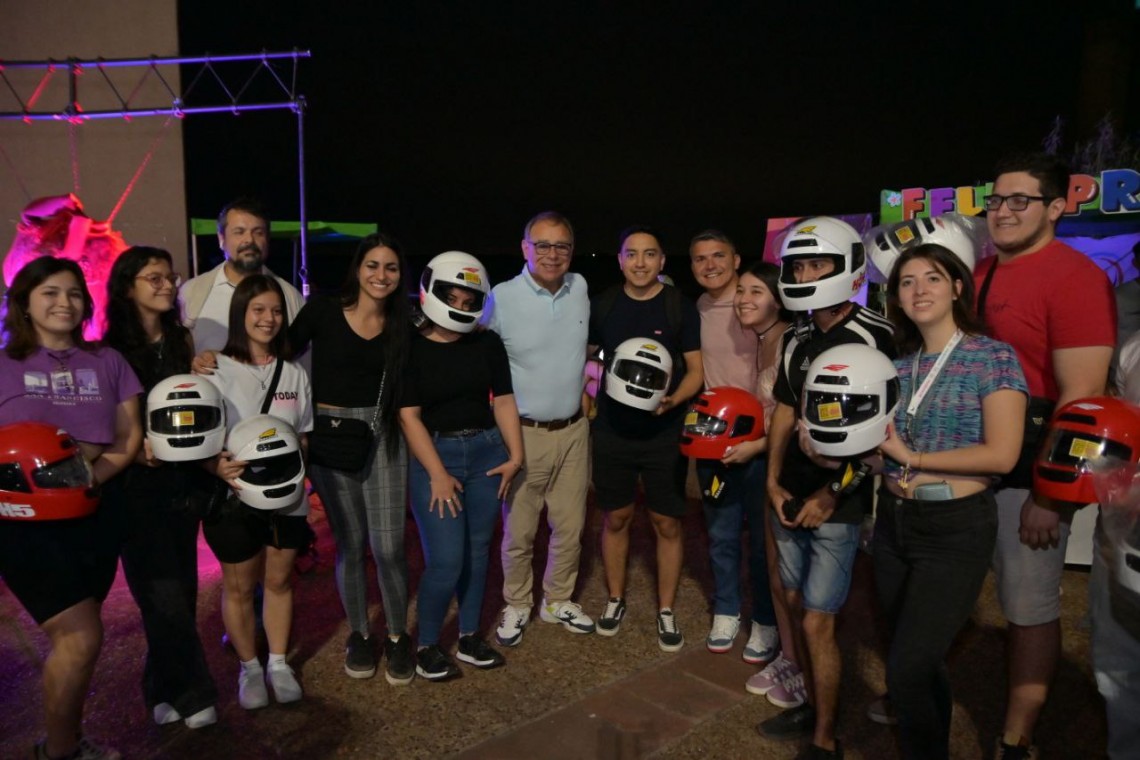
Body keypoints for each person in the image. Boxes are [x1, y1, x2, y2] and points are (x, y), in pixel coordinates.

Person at [975, 152, 1115, 759]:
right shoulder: (979, 271)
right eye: (996, 200)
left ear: (1056, 207)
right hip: (969, 459)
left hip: (1028, 471)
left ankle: (1017, 734)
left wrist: (1049, 496)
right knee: (947, 585)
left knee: (1027, 605)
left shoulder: (1075, 277)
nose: (1003, 212)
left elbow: (1082, 399)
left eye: (1019, 201)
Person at [875, 243, 1027, 759]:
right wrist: (832, 447)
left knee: (907, 668)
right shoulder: (897, 367)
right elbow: (882, 454)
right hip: (894, 524)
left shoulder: (992, 357)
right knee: (920, 659)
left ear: (957, 287)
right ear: (896, 297)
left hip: (954, 529)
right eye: (907, 282)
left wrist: (911, 458)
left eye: (933, 278)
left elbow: (1002, 455)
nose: (919, 290)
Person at [758, 217, 894, 760]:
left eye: (818, 265)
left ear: (847, 268)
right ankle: (814, 704)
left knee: (818, 619)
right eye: (798, 267)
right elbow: (784, 410)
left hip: (837, 503)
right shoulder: (796, 336)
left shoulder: (876, 335)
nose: (806, 276)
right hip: (790, 494)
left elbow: (882, 435)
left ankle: (825, 739)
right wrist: (772, 480)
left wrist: (832, 494)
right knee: (794, 604)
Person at [0, 257, 143, 760]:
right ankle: (59, 751)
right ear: (24, 303)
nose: (65, 302)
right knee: (81, 638)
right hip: (24, 526)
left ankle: (66, 740)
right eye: (50, 292)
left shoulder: (108, 361)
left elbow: (127, 439)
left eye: (75, 293)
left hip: (95, 515)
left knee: (79, 640)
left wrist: (82, 482)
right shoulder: (3, 363)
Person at [288, 233, 414, 683]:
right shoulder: (322, 310)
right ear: (358, 269)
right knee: (351, 543)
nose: (381, 275)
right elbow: (276, 354)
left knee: (389, 546)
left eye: (391, 267)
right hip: (330, 436)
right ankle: (360, 633)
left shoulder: (404, 323)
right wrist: (218, 359)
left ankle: (397, 635)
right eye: (372, 265)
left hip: (384, 435)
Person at [101, 246, 219, 729]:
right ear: (127, 287)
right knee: (161, 594)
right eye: (154, 278)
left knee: (180, 593)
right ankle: (195, 695)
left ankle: (159, 687)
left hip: (182, 483)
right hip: (135, 488)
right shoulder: (107, 351)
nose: (168, 285)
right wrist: (133, 449)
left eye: (170, 277)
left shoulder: (179, 340)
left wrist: (200, 369)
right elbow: (101, 422)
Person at [399, 251, 525, 681]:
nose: (461, 306)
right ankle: (427, 644)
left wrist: (515, 457)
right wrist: (437, 473)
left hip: (487, 452)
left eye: (470, 300)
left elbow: (503, 400)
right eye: (453, 297)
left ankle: (469, 637)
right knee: (446, 559)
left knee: (478, 553)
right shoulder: (411, 345)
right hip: (436, 456)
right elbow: (408, 416)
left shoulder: (487, 343)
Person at [200, 275, 313, 709]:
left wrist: (300, 473)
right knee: (239, 587)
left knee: (280, 581)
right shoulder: (213, 369)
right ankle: (249, 668)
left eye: (277, 311)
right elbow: (200, 438)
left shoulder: (295, 373)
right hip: (234, 499)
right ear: (240, 314)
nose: (269, 319)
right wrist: (214, 466)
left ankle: (279, 664)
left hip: (287, 497)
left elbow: (303, 436)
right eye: (259, 310)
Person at [588, 226, 703, 651]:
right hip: (612, 431)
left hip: (663, 434)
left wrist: (672, 401)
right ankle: (616, 598)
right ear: (620, 260)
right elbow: (584, 356)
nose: (640, 262)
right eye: (631, 254)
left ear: (662, 261)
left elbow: (697, 371)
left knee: (666, 522)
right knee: (616, 518)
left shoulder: (678, 307)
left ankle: (666, 608)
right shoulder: (603, 305)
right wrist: (592, 383)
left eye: (649, 254)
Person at [489, 212, 594, 648]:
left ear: (571, 250)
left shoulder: (580, 288)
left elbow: (579, 349)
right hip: (524, 433)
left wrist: (588, 383)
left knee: (570, 525)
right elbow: (475, 352)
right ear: (525, 248)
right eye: (543, 245)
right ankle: (516, 602)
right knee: (521, 530)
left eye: (561, 245)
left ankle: (557, 599)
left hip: (574, 430)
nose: (553, 254)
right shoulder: (501, 297)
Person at [689, 234, 788, 663]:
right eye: (700, 259)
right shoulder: (698, 308)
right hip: (714, 443)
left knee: (764, 543)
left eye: (718, 256)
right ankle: (726, 611)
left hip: (762, 447)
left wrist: (760, 444)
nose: (710, 265)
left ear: (736, 259)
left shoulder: (765, 315)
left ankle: (765, 619)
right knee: (721, 534)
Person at [180, 197, 305, 353]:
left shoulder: (290, 297)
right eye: (239, 232)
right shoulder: (192, 292)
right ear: (221, 239)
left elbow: (302, 358)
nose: (249, 240)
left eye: (258, 233)